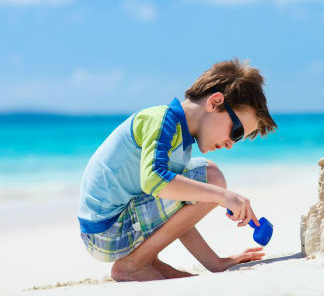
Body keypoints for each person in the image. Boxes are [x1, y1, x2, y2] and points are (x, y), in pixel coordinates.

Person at [77, 59, 277, 281]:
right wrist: (222, 195)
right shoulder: (162, 121)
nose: (231, 143)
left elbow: (178, 211)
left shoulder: (181, 141)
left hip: (114, 228)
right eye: (237, 131)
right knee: (212, 178)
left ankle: (147, 259)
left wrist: (215, 263)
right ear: (215, 102)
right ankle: (134, 264)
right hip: (107, 231)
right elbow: (153, 180)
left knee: (203, 180)